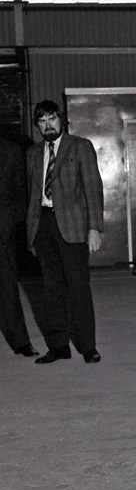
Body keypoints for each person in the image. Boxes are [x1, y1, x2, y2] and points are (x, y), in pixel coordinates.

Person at [26, 100, 104, 364]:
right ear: (37, 125)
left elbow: (93, 189)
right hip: (44, 226)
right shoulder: (34, 154)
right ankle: (59, 346)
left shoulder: (81, 146)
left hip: (73, 228)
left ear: (62, 120)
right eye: (42, 121)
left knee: (78, 288)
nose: (48, 125)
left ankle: (87, 346)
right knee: (51, 290)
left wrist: (94, 228)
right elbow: (33, 195)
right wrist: (31, 232)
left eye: (52, 119)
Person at [0, 136, 39, 357]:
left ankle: (21, 342)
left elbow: (22, 196)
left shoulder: (11, 150)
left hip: (1, 233)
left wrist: (5, 224)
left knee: (7, 289)